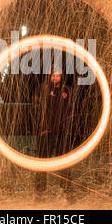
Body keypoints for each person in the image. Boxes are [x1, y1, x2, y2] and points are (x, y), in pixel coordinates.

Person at [33, 71, 76, 203]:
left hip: (62, 132)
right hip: (46, 131)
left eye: (58, 75)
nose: (55, 78)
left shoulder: (67, 90)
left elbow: (72, 109)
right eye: (53, 75)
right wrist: (41, 124)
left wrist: (68, 126)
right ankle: (39, 193)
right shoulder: (43, 88)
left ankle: (66, 192)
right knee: (42, 162)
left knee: (65, 162)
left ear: (61, 76)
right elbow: (35, 105)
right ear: (49, 76)